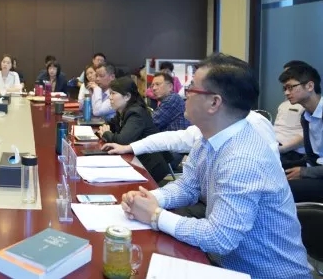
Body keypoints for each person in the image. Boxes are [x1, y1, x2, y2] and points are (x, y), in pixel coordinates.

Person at [121, 54, 310, 278]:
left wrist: (155, 216)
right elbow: (187, 186)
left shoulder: (243, 157)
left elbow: (220, 237)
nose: (185, 94)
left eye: (191, 88)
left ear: (214, 102)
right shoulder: (209, 137)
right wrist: (150, 198)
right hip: (224, 265)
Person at [98, 76, 171, 183]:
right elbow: (109, 126)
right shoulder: (122, 111)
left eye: (113, 93)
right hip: (135, 160)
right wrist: (107, 131)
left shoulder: (136, 113)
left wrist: (106, 133)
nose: (110, 97)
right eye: (110, 94)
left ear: (127, 96)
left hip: (150, 166)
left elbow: (123, 141)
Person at [279, 63, 323, 202]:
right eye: (285, 88)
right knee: (270, 172)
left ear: (309, 86)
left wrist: (304, 172)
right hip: (315, 168)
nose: (286, 93)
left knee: (280, 189)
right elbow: (312, 157)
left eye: (291, 87)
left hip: (318, 174)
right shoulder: (305, 116)